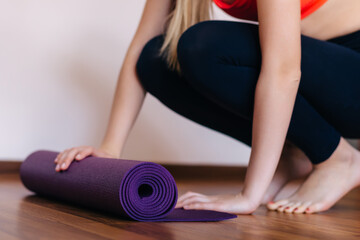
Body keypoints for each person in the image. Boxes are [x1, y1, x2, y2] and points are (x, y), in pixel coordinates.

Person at [53, 0, 360, 215]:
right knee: (155, 60)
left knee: (204, 47)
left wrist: (248, 195)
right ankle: (296, 153)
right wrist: (110, 148)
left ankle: (339, 159)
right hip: (317, 70)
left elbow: (283, 71)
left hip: (351, 72)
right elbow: (142, 44)